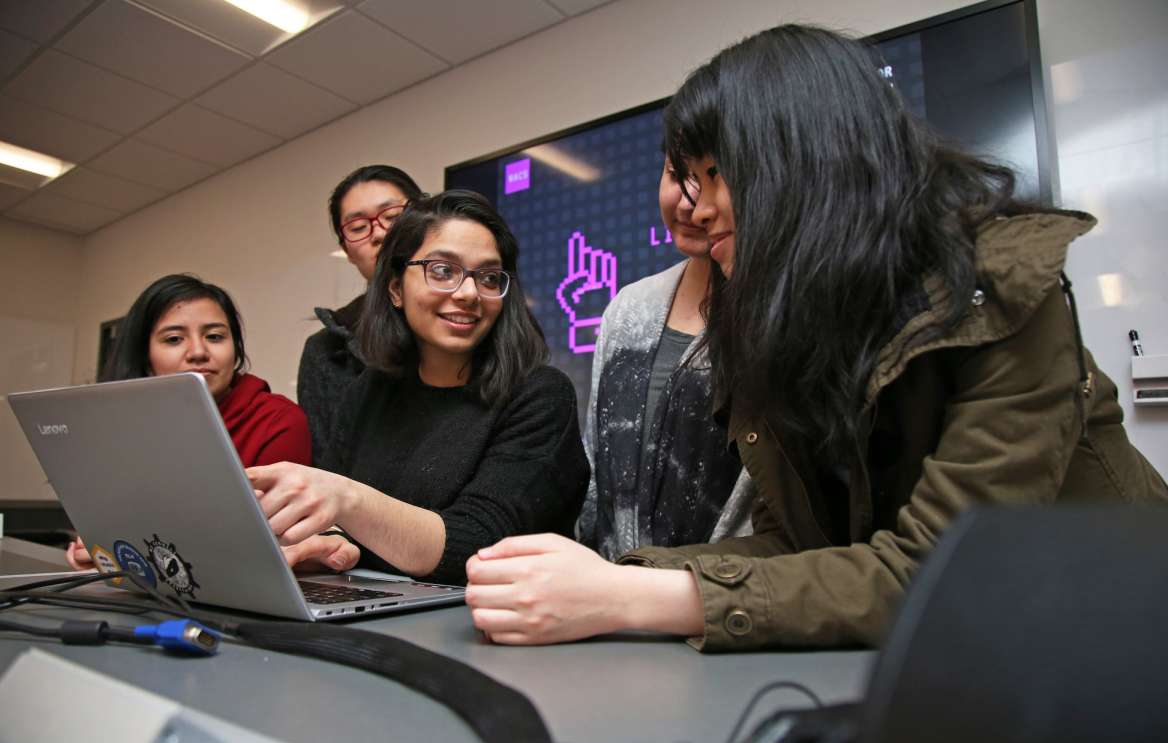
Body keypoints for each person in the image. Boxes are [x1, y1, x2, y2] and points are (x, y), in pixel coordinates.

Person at [465, 25, 1168, 651]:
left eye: (718, 175)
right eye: (686, 175)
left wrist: (633, 597)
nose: (695, 206)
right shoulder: (774, 317)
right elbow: (797, 544)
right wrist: (609, 578)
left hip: (1108, 642)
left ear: (810, 165)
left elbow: (943, 570)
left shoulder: (1006, 286)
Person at [248, 190, 590, 585]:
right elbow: (346, 535)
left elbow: (479, 545)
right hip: (375, 608)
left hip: (488, 624)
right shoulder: (368, 392)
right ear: (395, 289)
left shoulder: (539, 394)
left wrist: (346, 500)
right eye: (443, 270)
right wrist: (324, 545)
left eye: (489, 277)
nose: (468, 293)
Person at [65, 274, 352, 571]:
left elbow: (264, 542)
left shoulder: (277, 420)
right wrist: (99, 547)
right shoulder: (124, 425)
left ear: (236, 349)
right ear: (146, 356)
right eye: (174, 339)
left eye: (215, 337)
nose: (199, 352)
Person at [576, 155, 754, 561]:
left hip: (728, 602)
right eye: (677, 175)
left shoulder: (780, 314)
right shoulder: (628, 309)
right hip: (612, 599)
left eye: (714, 177)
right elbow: (596, 472)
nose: (690, 203)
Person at [298, 165, 423, 468]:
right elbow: (327, 473)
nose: (380, 233)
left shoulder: (467, 313)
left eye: (393, 216)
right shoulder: (325, 352)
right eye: (357, 228)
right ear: (346, 251)